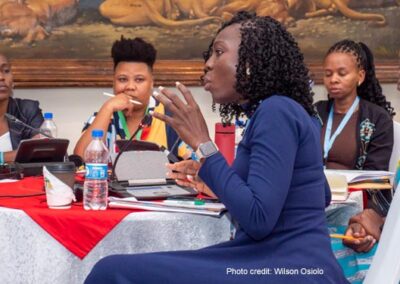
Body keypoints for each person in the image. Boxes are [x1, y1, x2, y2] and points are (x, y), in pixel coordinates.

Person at [85, 12, 348, 283]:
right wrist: (210, 176)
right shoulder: (281, 109)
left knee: (111, 272)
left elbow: (258, 219)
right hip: (280, 261)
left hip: (286, 268)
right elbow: (318, 195)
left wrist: (203, 144)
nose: (208, 64)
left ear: (250, 63)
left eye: (218, 52)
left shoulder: (276, 111)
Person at [315, 39, 395, 253]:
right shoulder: (315, 113)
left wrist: (365, 218)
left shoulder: (378, 119)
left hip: (353, 201)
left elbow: (376, 179)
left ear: (360, 76)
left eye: (342, 73)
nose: (333, 80)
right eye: (328, 73)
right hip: (314, 195)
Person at [74, 36, 185, 159]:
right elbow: (80, 160)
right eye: (122, 79)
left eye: (139, 79)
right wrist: (108, 107)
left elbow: (196, 163)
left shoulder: (171, 117)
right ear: (113, 82)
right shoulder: (102, 116)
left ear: (152, 83)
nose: (130, 87)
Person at [0, 53, 44, 163]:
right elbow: (30, 153)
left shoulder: (27, 110)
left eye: (6, 71)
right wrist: (9, 157)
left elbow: (45, 152)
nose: (1, 77)